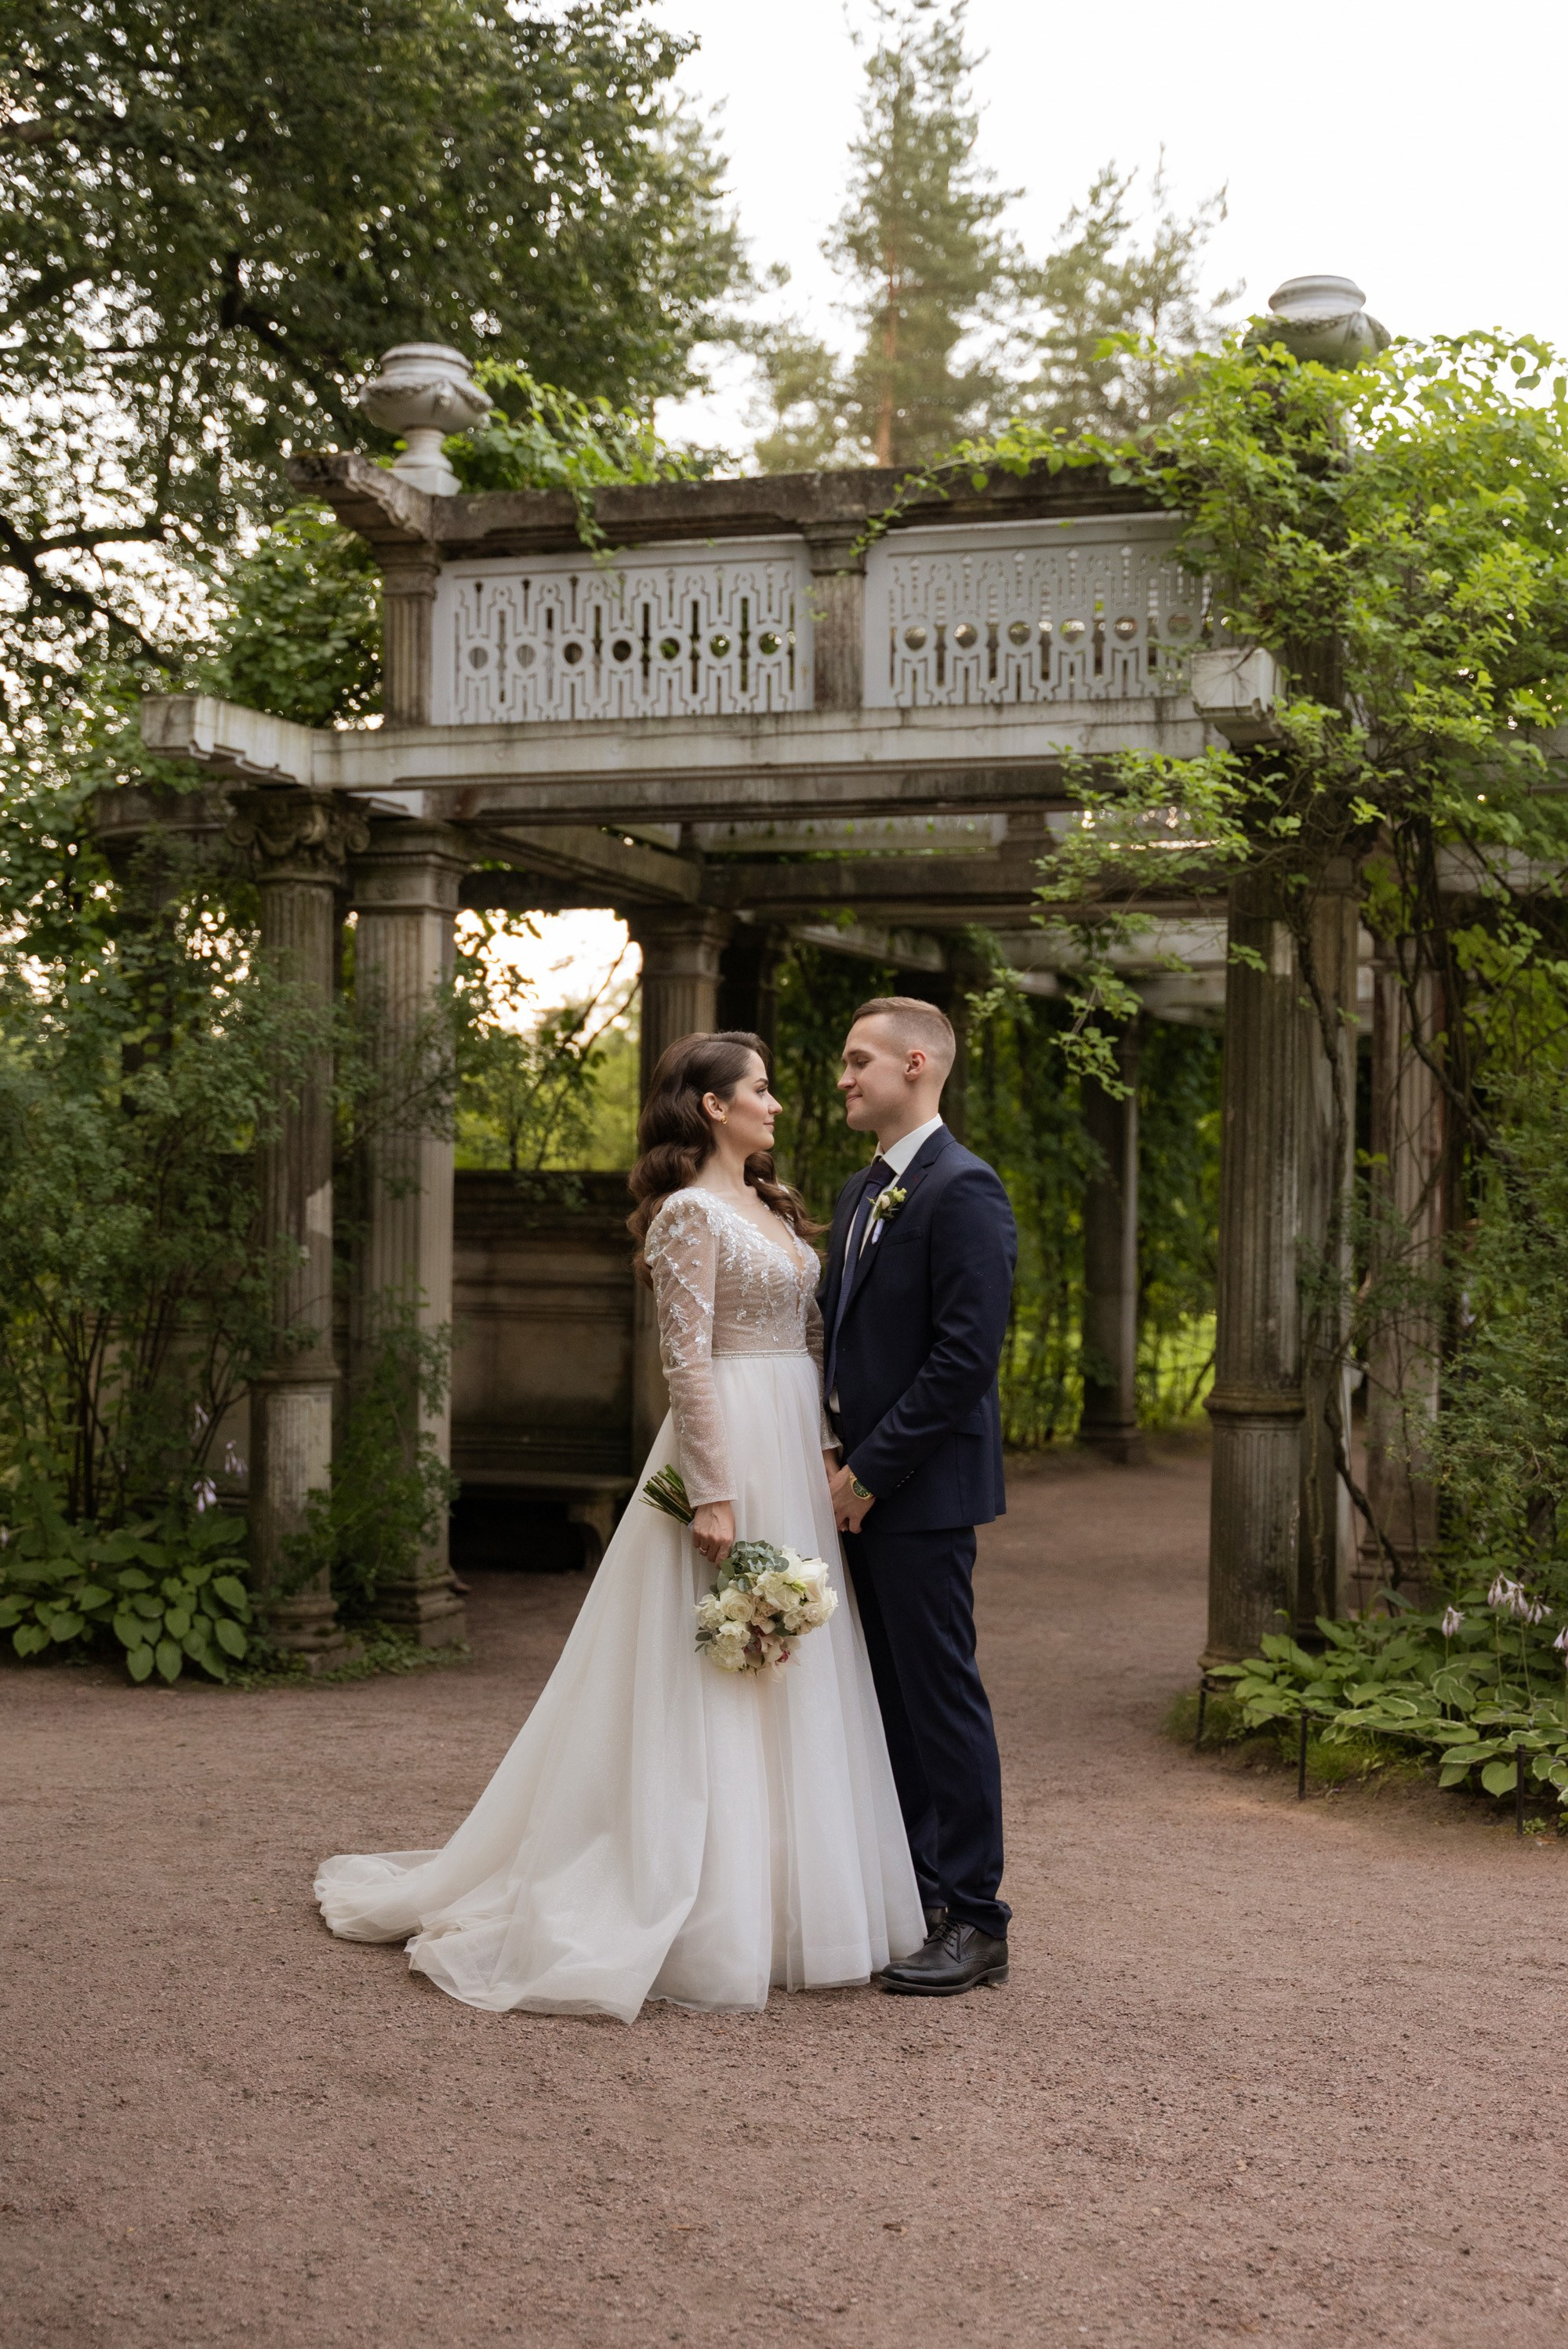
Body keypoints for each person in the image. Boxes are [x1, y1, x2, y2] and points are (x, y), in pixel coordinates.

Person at [315, 1032, 923, 2021]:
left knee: (793, 1653)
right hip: (724, 1436)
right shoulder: (686, 1215)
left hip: (791, 1440)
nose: (776, 1103)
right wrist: (715, 1489)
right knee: (709, 1663)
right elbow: (685, 1360)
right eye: (759, 1090)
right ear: (711, 1106)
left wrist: (820, 1445)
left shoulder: (771, 1206)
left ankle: (789, 1901)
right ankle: (695, 1900)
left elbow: (811, 1338)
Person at [821, 997, 1018, 1996]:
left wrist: (868, 1470)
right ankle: (918, 1895)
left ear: (915, 1062)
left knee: (940, 1698)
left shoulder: (964, 1188)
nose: (842, 1078)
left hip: (920, 1493)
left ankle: (977, 1918)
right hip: (855, 1490)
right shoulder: (863, 1191)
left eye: (858, 1061)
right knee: (885, 1699)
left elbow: (961, 1361)